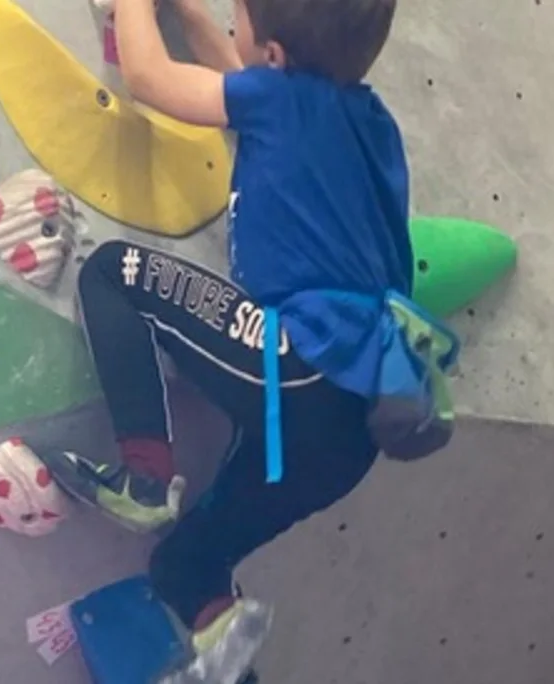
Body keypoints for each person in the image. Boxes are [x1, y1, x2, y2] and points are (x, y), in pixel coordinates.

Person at [41, 0, 451, 678]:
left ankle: (145, 475)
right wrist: (190, 13)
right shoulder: (368, 121)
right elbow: (240, 72)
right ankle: (227, 652)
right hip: (350, 436)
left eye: (239, 15)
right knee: (186, 565)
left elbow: (149, 76)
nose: (232, 24)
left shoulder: (278, 100)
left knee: (114, 273)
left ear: (276, 58)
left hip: (303, 360)